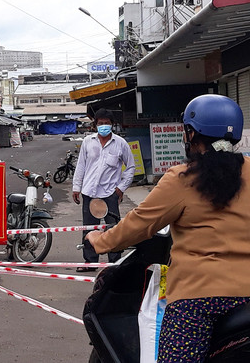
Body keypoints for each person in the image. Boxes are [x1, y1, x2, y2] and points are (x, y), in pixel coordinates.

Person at [86, 94, 250, 362]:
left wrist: (100, 241)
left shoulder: (182, 178)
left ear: (190, 134)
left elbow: (139, 223)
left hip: (198, 298)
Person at [72, 108, 135, 272]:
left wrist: (120, 189)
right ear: (95, 125)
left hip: (110, 194)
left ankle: (115, 263)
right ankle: (90, 262)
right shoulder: (88, 142)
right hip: (89, 192)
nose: (104, 126)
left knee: (113, 229)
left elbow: (131, 167)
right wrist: (76, 187)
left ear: (112, 125)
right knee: (89, 229)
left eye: (107, 123)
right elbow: (81, 166)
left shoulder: (120, 143)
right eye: (101, 123)